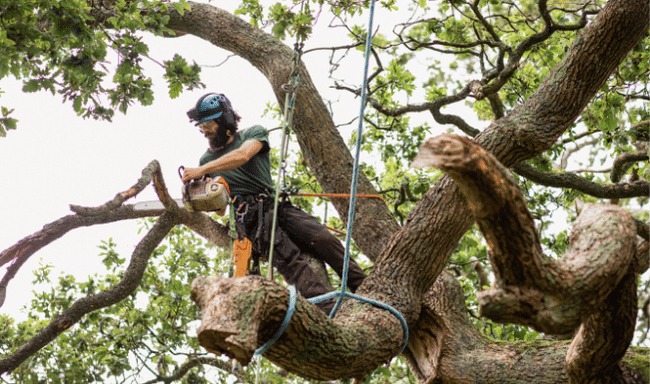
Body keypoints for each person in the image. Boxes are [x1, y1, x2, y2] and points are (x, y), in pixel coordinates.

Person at [181, 92, 367, 313]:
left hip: (274, 204)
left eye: (208, 124)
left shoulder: (252, 134)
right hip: (250, 217)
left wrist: (202, 170)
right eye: (201, 126)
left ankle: (363, 286)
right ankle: (329, 309)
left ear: (224, 120)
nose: (204, 130)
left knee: (321, 237)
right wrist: (205, 195)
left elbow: (242, 156)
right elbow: (221, 210)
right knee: (290, 259)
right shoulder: (207, 159)